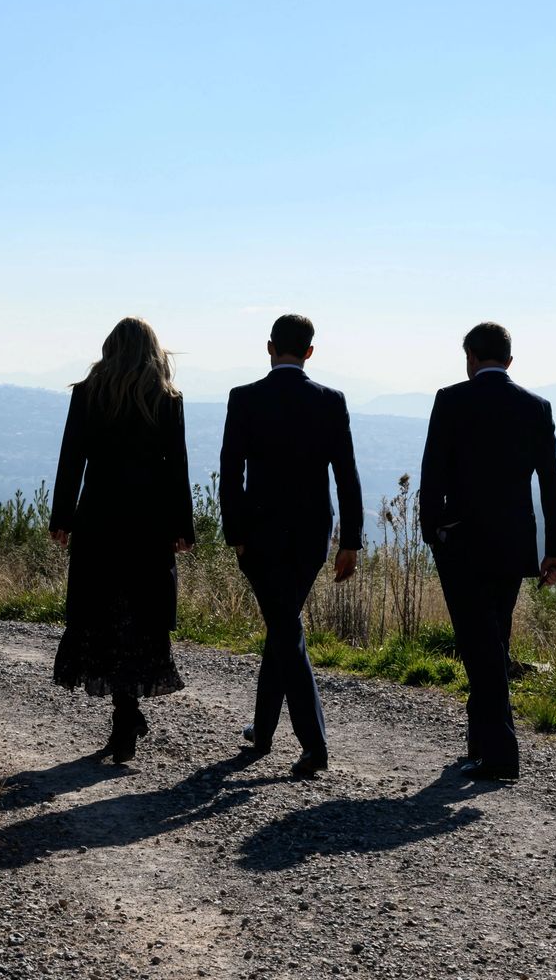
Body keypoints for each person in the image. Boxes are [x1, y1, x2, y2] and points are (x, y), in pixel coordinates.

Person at [419, 322, 556, 781]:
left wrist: (432, 532)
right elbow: (551, 483)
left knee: (479, 645)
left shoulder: (451, 400)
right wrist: (555, 549)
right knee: (492, 640)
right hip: (513, 544)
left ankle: (500, 755)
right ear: (509, 359)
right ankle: (481, 744)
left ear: (470, 357)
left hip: (461, 542)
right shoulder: (535, 407)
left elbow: (432, 472)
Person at [219, 314, 364, 776]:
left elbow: (230, 474)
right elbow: (346, 473)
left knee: (284, 627)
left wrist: (236, 535)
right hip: (311, 537)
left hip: (258, 536)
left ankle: (314, 744)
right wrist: (351, 540)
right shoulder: (330, 401)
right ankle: (263, 731)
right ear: (309, 351)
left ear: (269, 347)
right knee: (282, 625)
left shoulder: (244, 398)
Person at [49, 317, 195, 764]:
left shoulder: (88, 394)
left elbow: (71, 458)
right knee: (140, 619)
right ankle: (126, 716)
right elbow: (178, 466)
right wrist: (183, 526)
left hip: (99, 521)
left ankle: (125, 717)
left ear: (109, 348)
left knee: (104, 616)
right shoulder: (167, 399)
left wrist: (62, 518)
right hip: (149, 525)